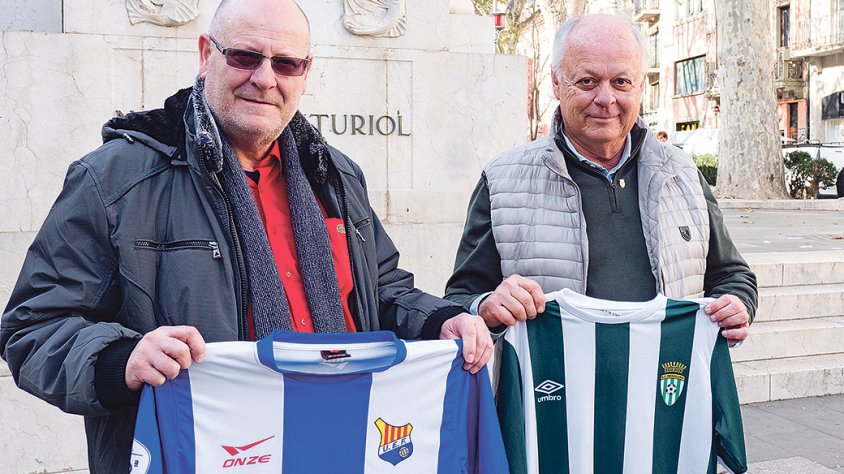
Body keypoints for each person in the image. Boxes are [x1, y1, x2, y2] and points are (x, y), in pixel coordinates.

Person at [0, 0, 492, 471]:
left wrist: (440, 321)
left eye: (286, 63)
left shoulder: (337, 177)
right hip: (191, 457)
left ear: (306, 73)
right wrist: (122, 360)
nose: (264, 78)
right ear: (205, 55)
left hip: (338, 447)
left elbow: (382, 292)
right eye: (245, 57)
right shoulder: (113, 179)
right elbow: (33, 328)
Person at [445, 14, 756, 347]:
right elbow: (460, 300)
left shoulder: (682, 173)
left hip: (666, 377)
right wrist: (486, 307)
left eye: (621, 82)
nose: (606, 99)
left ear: (640, 86)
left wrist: (737, 304)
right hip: (554, 380)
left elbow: (732, 276)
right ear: (556, 84)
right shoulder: (502, 181)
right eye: (587, 81)